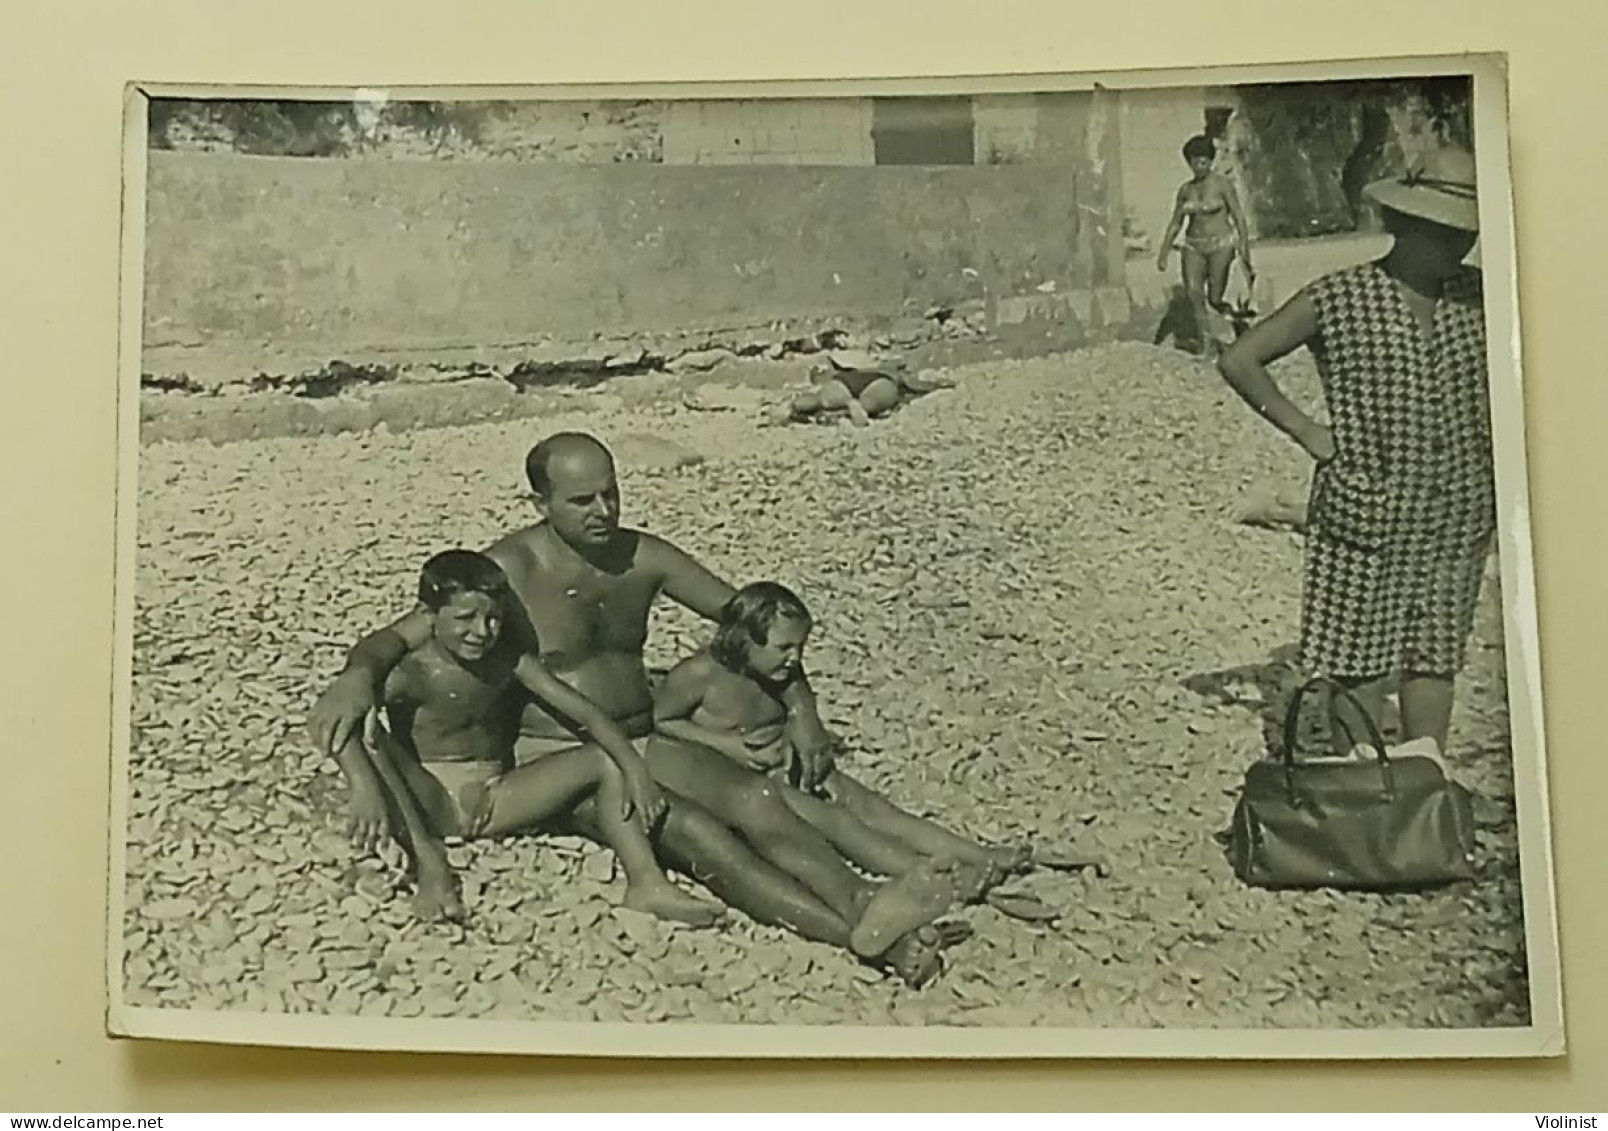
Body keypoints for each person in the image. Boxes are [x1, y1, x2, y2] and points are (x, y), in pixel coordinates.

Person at [307, 432, 958, 986]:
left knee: (759, 800)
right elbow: (407, 634)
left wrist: (803, 708)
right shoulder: (505, 569)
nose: (603, 511)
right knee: (701, 835)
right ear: (541, 502)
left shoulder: (643, 555)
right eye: (582, 500)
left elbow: (757, 624)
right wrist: (356, 676)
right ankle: (869, 941)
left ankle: (865, 899)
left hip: (639, 735)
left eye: (611, 492)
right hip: (557, 756)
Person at [1215, 144, 1491, 762]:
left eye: (1463, 235)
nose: (1455, 248)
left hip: (1459, 508)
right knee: (1360, 656)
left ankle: (1421, 791)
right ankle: (1362, 794)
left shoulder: (1481, 297)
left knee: (1435, 653)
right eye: (1441, 233)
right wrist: (1309, 431)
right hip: (1366, 503)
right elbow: (1240, 359)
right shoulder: (1341, 296)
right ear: (1403, 224)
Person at [333, 548, 724, 926]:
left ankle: (646, 882)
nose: (481, 632)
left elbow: (585, 712)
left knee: (604, 758)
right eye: (465, 618)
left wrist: (634, 768)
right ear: (427, 616)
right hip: (432, 799)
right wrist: (364, 788)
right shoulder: (411, 672)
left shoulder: (507, 660)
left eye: (493, 619)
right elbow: (339, 724)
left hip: (499, 795)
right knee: (369, 731)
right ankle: (429, 862)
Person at [649, 580, 1031, 955]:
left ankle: (976, 854)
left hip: (785, 764)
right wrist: (727, 746)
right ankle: (929, 874)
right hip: (748, 778)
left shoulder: (774, 673)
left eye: (800, 647)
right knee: (841, 824)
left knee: (875, 808)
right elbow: (662, 722)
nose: (795, 658)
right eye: (784, 647)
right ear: (744, 640)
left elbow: (797, 700)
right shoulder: (699, 676)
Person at [1157, 134, 1253, 357]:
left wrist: (1245, 249)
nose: (1199, 166)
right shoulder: (1185, 191)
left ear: (1210, 161)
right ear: (1189, 163)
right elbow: (1175, 223)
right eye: (1194, 161)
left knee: (1215, 298)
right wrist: (1163, 252)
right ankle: (1206, 344)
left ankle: (1238, 324)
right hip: (1193, 246)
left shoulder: (1222, 185)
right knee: (1193, 292)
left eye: (1203, 161)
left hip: (1221, 244)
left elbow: (1238, 217)